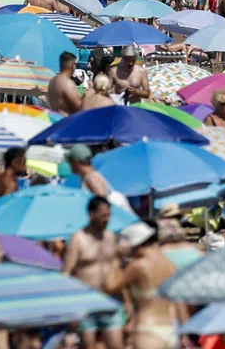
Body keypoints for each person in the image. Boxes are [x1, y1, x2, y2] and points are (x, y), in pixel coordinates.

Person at [63, 197, 125, 349]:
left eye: (109, 215)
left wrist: (126, 301)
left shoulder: (111, 237)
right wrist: (68, 308)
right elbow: (66, 274)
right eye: (103, 215)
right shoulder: (78, 239)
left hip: (110, 301)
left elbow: (117, 269)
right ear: (91, 215)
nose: (107, 219)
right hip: (86, 303)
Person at [106, 221, 179, 349]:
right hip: (171, 328)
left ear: (137, 245)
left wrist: (116, 258)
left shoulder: (139, 266)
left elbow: (111, 286)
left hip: (148, 330)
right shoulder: (169, 263)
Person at [65, 145, 133, 211]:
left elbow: (102, 200)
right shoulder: (92, 175)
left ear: (75, 162)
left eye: (69, 162)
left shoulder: (91, 177)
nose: (69, 165)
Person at [48, 51, 82, 116]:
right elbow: (79, 107)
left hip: (56, 120)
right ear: (73, 65)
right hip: (67, 121)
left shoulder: (53, 80)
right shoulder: (67, 83)